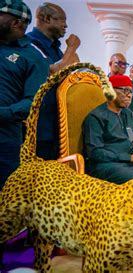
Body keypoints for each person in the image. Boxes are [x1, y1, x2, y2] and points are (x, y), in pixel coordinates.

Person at [0, 0, 49, 188]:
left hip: (5, 141)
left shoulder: (34, 56)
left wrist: (3, 113)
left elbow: (34, 102)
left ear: (16, 23)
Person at [27, 2, 81, 160]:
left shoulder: (56, 48)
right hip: (39, 124)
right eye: (62, 20)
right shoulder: (30, 44)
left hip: (56, 122)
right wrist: (71, 48)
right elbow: (54, 73)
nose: (66, 25)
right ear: (46, 18)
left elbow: (73, 69)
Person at [82, 75, 133, 184]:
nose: (129, 95)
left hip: (128, 165)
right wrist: (129, 157)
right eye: (125, 90)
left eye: (131, 91)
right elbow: (95, 152)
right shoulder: (96, 117)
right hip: (105, 166)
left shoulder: (128, 114)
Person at [108, 53, 133, 134]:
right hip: (109, 125)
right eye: (119, 63)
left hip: (128, 125)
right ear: (110, 64)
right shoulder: (102, 82)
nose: (122, 66)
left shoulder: (132, 84)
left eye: (124, 64)